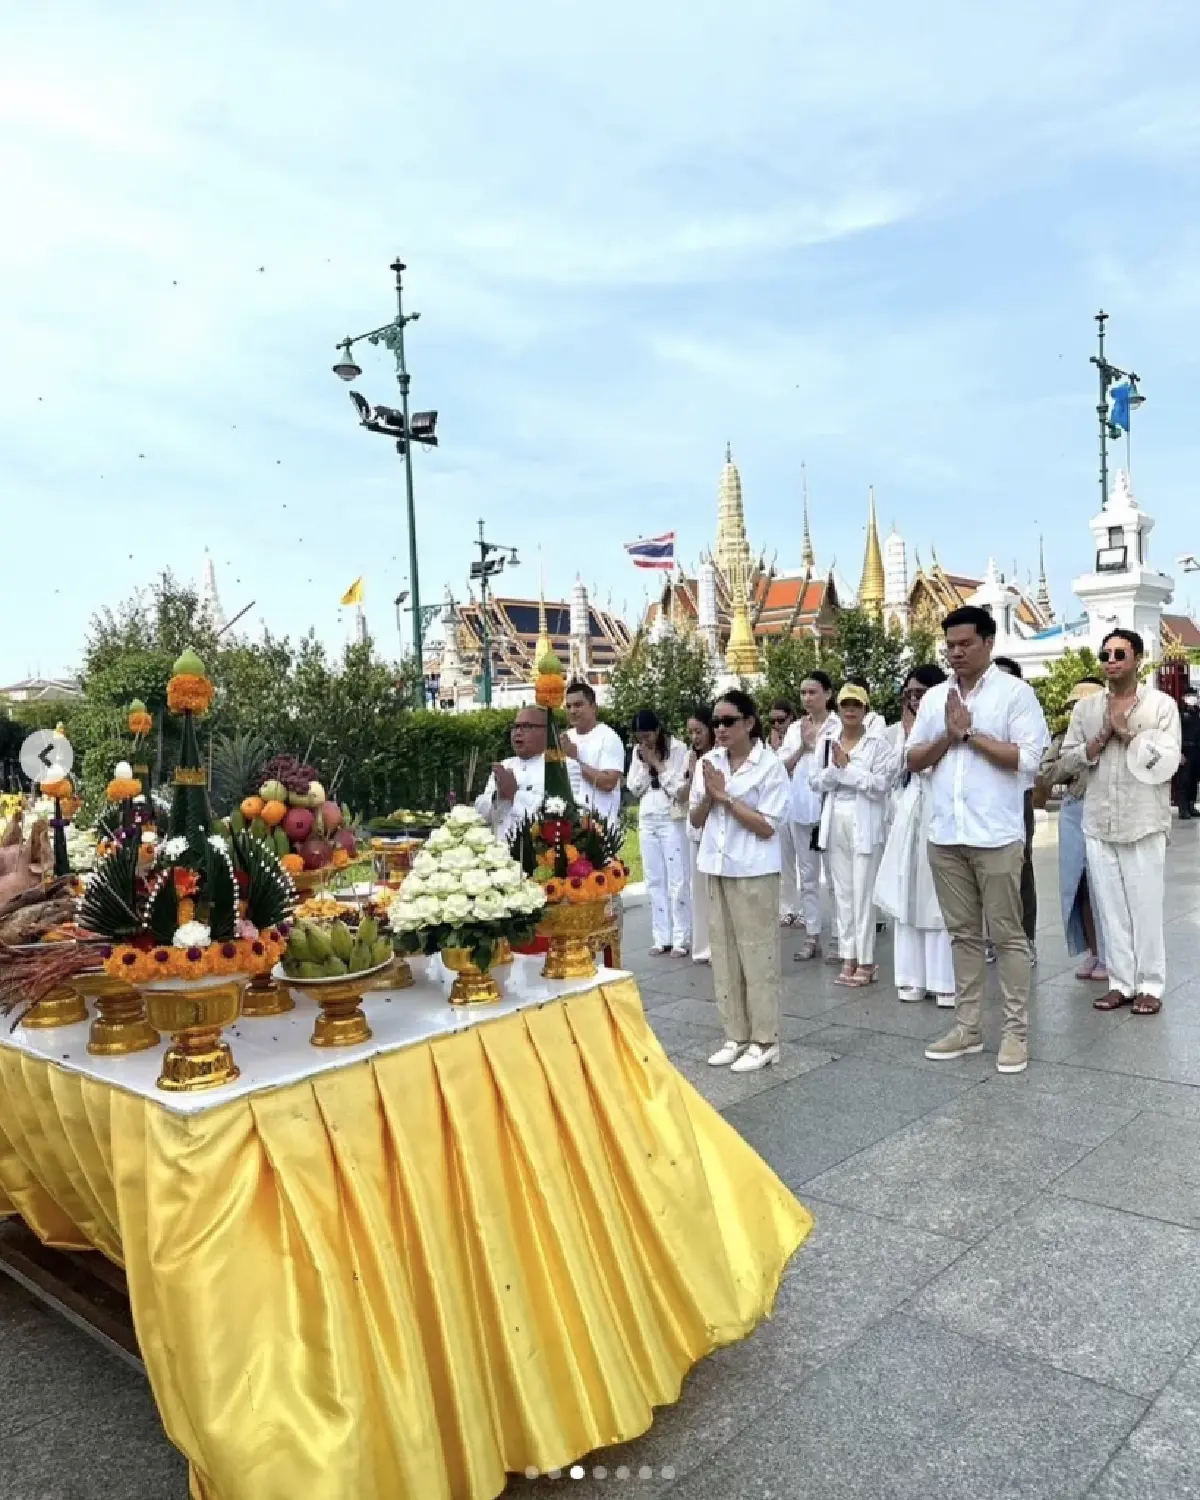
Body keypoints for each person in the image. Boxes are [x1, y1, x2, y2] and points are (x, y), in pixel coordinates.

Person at [908, 606, 1049, 1074]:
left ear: (988, 642)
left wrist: (969, 733)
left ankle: (1016, 1033)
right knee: (963, 936)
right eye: (950, 645)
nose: (956, 652)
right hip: (946, 833)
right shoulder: (935, 699)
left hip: (996, 834)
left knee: (1008, 936)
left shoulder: (1015, 694)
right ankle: (967, 1028)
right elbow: (913, 759)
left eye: (965, 644)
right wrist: (949, 737)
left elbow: (1028, 760)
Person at [1058, 629, 1181, 1016]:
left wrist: (1126, 734)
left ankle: (1150, 984)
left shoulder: (1160, 706)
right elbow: (1066, 761)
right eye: (1105, 655)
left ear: (1137, 659)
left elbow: (1168, 762)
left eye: (1119, 654)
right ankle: (1121, 983)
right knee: (1110, 909)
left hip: (1143, 819)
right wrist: (1101, 736)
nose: (1110, 661)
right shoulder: (1086, 709)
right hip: (1098, 820)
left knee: (1145, 907)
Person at [689, 689, 791, 1072]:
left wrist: (726, 798)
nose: (720, 729)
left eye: (728, 721)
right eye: (716, 722)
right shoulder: (709, 762)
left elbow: (767, 826)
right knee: (724, 956)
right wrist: (709, 796)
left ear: (749, 722)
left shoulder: (770, 766)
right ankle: (736, 1035)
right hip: (716, 866)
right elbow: (695, 819)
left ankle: (766, 1040)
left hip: (754, 870)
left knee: (758, 956)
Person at [874, 665, 956, 1007]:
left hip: (941, 807)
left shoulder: (951, 720)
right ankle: (911, 978)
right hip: (909, 812)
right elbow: (891, 773)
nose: (913, 700)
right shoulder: (897, 731)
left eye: (920, 693)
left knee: (937, 896)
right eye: (908, 694)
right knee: (906, 892)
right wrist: (905, 736)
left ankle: (944, 980)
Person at [810, 683, 897, 987]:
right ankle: (849, 956)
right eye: (845, 705)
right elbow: (815, 782)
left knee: (863, 893)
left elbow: (881, 786)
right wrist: (837, 772)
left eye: (856, 705)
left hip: (865, 822)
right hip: (836, 820)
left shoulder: (877, 745)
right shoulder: (827, 742)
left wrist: (848, 771)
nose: (850, 710)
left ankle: (867, 960)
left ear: (865, 710)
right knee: (843, 894)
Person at [1037, 679, 1108, 981]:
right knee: (1079, 887)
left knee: (1105, 887)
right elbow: (1046, 772)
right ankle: (1095, 951)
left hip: (1108, 811)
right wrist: (1078, 756)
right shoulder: (1062, 738)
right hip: (1075, 810)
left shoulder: (1119, 732)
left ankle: (1114, 954)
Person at [627, 709, 692, 957]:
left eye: (647, 736)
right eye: (639, 737)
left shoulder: (678, 749)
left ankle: (681, 938)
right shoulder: (638, 752)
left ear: (657, 730)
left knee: (677, 878)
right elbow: (634, 788)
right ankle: (661, 937)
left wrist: (656, 763)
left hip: (671, 817)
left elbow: (678, 788)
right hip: (648, 816)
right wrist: (645, 765)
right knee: (654, 878)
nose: (644, 741)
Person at [788, 672, 839, 961]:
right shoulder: (795, 728)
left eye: (813, 692)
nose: (807, 698)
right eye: (803, 693)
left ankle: (839, 938)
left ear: (827, 694)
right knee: (807, 877)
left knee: (834, 877)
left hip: (829, 808)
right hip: (800, 808)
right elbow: (781, 766)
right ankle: (812, 935)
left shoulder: (838, 726)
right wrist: (803, 747)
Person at [994, 656, 1038, 961]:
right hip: (983, 800)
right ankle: (991, 938)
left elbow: (1030, 758)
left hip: (1017, 795)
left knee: (1020, 866)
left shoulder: (1024, 711)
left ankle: (1025, 937)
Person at [475, 709, 547, 840]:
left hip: (537, 848)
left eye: (527, 726)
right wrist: (498, 796)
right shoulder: (505, 765)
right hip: (499, 847)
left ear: (546, 732)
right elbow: (483, 814)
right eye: (515, 726)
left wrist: (514, 794)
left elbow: (558, 814)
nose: (518, 732)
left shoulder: (560, 767)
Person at [563, 680, 625, 829]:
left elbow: (608, 783)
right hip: (568, 825)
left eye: (578, 705)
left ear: (593, 708)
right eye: (568, 706)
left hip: (600, 826)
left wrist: (575, 760)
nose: (572, 711)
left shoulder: (608, 737)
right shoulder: (565, 737)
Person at [768, 699, 805, 926]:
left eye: (780, 720)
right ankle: (788, 908)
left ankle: (805, 910)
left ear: (791, 717)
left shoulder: (801, 733)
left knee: (805, 861)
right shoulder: (768, 743)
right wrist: (773, 750)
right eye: (772, 721)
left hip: (800, 803)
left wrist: (797, 750)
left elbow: (785, 767)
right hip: (781, 806)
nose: (776, 725)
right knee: (785, 860)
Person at [683, 706, 716, 964]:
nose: (694, 737)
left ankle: (719, 946)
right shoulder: (690, 757)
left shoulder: (720, 757)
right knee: (699, 890)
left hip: (715, 828)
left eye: (699, 731)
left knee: (715, 890)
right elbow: (682, 796)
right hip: (695, 828)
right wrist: (692, 773)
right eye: (691, 732)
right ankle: (703, 946)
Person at [1180, 692, 1200, 819]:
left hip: (1196, 750)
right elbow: (1176, 733)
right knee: (1185, 781)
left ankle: (1191, 806)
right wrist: (1179, 752)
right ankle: (1183, 808)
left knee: (1194, 780)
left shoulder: (1197, 713)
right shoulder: (1181, 714)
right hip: (1185, 749)